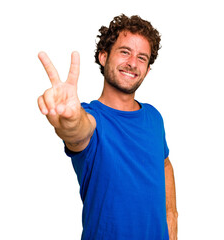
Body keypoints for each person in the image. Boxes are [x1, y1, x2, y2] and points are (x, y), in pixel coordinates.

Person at [37, 14, 178, 240]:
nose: (133, 62)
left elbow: (164, 164)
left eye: (142, 57)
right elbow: (77, 131)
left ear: (148, 69)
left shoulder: (154, 117)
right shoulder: (92, 118)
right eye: (125, 52)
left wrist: (172, 218)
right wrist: (70, 120)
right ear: (103, 57)